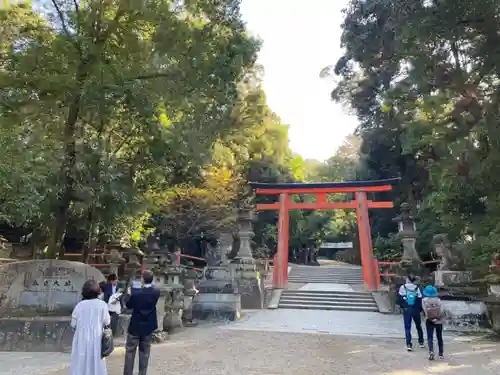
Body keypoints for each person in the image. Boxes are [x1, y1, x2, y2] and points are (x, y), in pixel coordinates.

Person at [70, 279, 111, 375]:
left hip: (81, 339)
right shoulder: (102, 305)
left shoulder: (79, 306)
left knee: (81, 361)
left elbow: (73, 324)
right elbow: (107, 321)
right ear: (98, 291)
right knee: (96, 361)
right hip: (97, 337)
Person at [123, 270, 160, 375]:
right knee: (145, 352)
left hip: (135, 325)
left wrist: (129, 294)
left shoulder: (136, 293)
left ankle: (127, 373)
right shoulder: (156, 292)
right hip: (148, 325)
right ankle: (142, 373)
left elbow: (129, 306)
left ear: (143, 280)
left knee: (130, 351)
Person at [398, 274, 424, 351]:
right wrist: (419, 309)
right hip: (415, 309)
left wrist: (403, 306)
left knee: (407, 327)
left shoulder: (403, 287)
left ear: (408, 279)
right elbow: (419, 299)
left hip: (407, 309)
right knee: (418, 326)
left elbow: (400, 299)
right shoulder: (416, 288)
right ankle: (421, 342)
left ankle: (409, 344)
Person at [422, 285, 445, 360]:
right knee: (439, 337)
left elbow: (425, 311)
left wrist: (430, 318)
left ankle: (431, 351)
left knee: (430, 337)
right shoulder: (438, 300)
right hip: (438, 320)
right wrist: (438, 318)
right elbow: (441, 311)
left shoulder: (424, 300)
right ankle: (441, 354)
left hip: (429, 320)